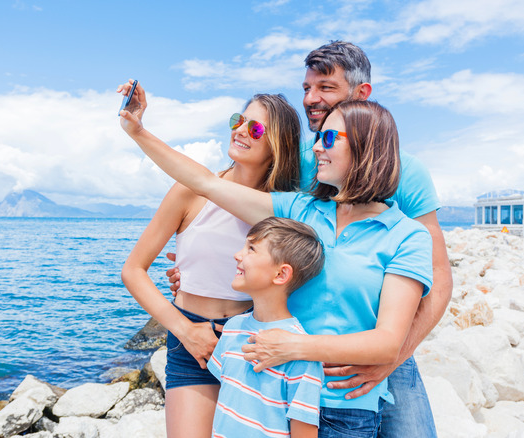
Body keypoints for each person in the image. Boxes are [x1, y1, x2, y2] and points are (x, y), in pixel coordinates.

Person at [166, 41, 452, 437]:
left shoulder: (404, 173)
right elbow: (233, 199)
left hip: (361, 348)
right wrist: (199, 266)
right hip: (283, 351)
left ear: (361, 94)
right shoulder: (293, 157)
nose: (312, 100)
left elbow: (438, 279)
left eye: (326, 88)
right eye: (306, 88)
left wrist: (393, 357)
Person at [118, 80, 302, 438]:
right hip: (190, 339)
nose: (241, 131)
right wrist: (185, 330)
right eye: (238, 120)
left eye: (256, 128)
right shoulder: (190, 191)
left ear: (278, 146)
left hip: (251, 341)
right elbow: (133, 270)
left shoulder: (280, 209)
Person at [207, 217, 325, 438]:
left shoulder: (302, 353)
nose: (237, 255)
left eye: (251, 249)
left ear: (281, 274)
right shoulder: (232, 327)